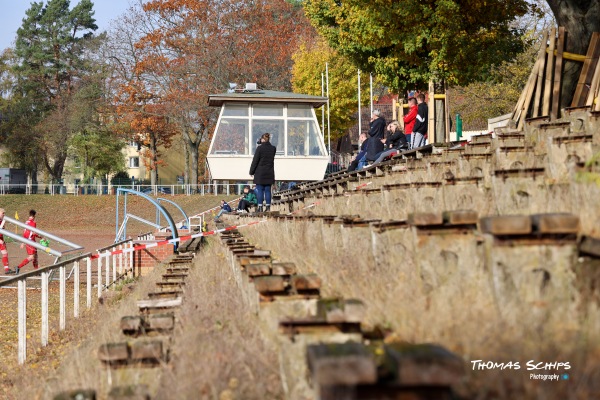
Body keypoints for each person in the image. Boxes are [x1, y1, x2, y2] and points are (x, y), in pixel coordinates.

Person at [250, 132, 277, 212]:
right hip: (269, 172)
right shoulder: (273, 148)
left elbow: (255, 161)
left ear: (262, 139)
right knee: (268, 190)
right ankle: (268, 207)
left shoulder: (259, 148)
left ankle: (260, 207)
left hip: (260, 173)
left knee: (260, 190)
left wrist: (251, 171)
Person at [13, 209, 41, 274]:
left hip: (29, 240)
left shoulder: (26, 222)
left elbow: (25, 232)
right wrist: (41, 237)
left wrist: (23, 241)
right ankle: (18, 267)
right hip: (30, 241)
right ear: (34, 216)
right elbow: (33, 233)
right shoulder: (33, 223)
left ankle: (36, 271)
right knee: (31, 257)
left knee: (35, 256)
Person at [0, 208, 11, 274]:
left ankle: (6, 269)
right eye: (2, 213)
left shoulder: (2, 221)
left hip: (1, 239)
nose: (4, 214)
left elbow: (3, 230)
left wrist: (7, 235)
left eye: (4, 213)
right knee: (4, 253)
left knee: (5, 253)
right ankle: (6, 269)